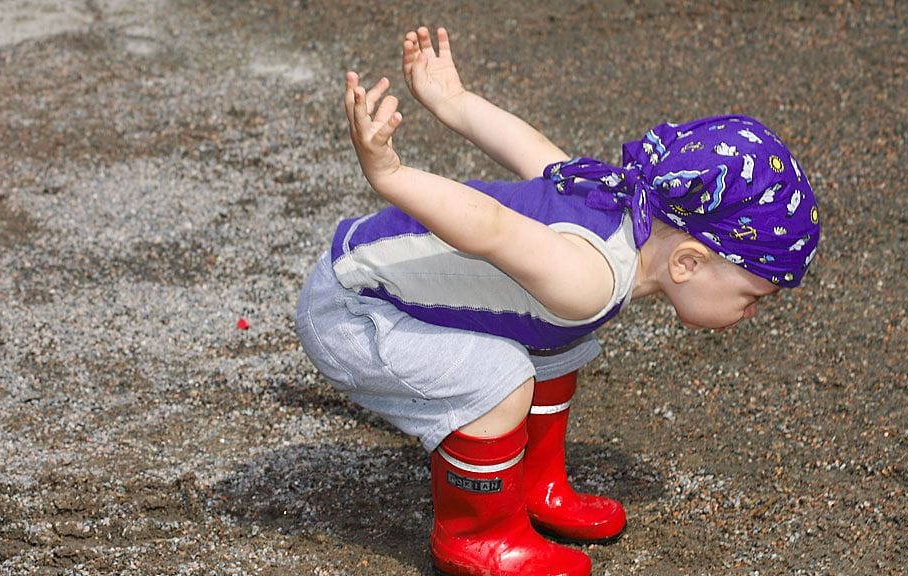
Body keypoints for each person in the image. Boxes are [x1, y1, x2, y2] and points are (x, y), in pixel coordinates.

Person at [294, 26, 819, 576]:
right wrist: (391, 175)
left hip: (380, 294)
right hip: (353, 311)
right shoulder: (588, 277)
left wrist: (453, 101)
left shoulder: (614, 196)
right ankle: (477, 537)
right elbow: (490, 226)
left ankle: (533, 488)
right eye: (755, 293)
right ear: (687, 263)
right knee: (500, 378)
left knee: (555, 343)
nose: (754, 309)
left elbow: (527, 147)